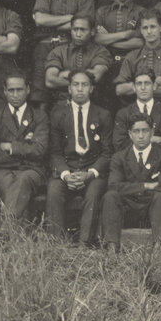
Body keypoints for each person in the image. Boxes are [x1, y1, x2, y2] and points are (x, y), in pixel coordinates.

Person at [45, 70, 112, 244]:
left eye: (84, 85)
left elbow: (107, 153)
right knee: (54, 191)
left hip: (92, 170)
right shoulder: (59, 114)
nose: (80, 89)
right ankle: (57, 243)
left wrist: (90, 173)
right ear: (69, 88)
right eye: (76, 85)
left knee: (94, 192)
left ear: (91, 89)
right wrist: (66, 175)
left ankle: (85, 244)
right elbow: (55, 152)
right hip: (68, 169)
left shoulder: (103, 115)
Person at [0, 70, 49, 224]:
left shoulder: (39, 116)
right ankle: (14, 232)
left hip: (32, 172)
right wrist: (25, 150)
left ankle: (4, 227)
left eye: (19, 90)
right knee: (15, 187)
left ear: (28, 90)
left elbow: (39, 150)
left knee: (24, 179)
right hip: (2, 173)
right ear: (5, 92)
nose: (15, 94)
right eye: (11, 90)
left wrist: (11, 147)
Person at [101, 112, 161, 250]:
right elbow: (113, 185)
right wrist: (145, 186)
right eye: (136, 131)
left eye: (145, 131)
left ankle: (159, 246)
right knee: (110, 196)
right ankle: (112, 247)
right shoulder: (120, 157)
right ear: (130, 134)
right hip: (127, 207)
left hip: (152, 207)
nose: (141, 136)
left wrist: (131, 188)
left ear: (152, 132)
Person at [30, 0, 95, 105]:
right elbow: (40, 20)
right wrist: (71, 17)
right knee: (40, 97)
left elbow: (82, 26)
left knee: (70, 92)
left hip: (70, 48)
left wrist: (51, 20)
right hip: (44, 47)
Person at [113, 9, 161, 104]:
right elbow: (119, 89)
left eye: (153, 27)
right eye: (145, 28)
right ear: (141, 30)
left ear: (160, 27)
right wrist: (154, 86)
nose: (149, 31)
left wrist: (135, 87)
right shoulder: (133, 56)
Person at [44, 14, 112, 104]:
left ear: (92, 31)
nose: (78, 34)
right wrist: (85, 81)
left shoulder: (101, 52)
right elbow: (50, 81)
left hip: (92, 105)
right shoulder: (58, 52)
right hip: (64, 104)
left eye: (83, 30)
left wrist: (66, 74)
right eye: (75, 29)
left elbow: (96, 75)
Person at [111, 71, 161, 153]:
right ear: (134, 87)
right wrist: (154, 139)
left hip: (159, 161)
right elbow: (120, 144)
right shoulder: (123, 114)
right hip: (131, 162)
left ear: (154, 86)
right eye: (139, 84)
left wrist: (138, 141)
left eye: (147, 83)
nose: (143, 87)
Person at [94, 0, 145, 79]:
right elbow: (97, 39)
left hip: (132, 60)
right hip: (106, 60)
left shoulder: (141, 12)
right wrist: (125, 35)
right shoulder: (102, 12)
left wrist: (108, 40)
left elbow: (139, 42)